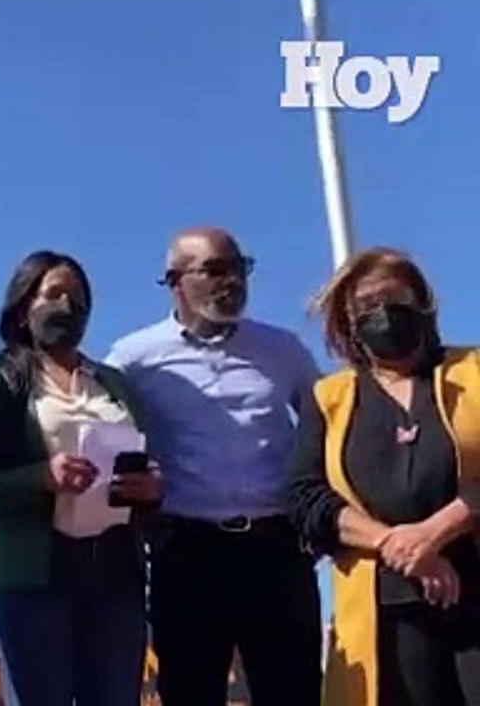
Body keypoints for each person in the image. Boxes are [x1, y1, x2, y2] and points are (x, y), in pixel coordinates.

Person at [105, 227, 323, 706]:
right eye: (216, 270)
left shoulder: (284, 350)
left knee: (294, 694)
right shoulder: (132, 360)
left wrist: (319, 523)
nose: (233, 281)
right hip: (187, 553)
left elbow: (327, 429)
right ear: (175, 282)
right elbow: (104, 440)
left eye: (240, 268)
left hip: (277, 551)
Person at [0, 250, 162, 705]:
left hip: (116, 575)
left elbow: (147, 461)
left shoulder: (115, 385)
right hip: (32, 578)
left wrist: (149, 489)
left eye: (78, 298)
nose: (67, 305)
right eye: (54, 294)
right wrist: (41, 477)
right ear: (23, 308)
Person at [288, 247, 480, 705]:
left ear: (422, 303)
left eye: (394, 300)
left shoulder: (473, 370)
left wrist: (436, 531)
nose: (384, 314)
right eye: (367, 307)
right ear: (348, 324)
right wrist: (394, 544)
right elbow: (305, 496)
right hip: (384, 609)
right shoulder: (329, 398)